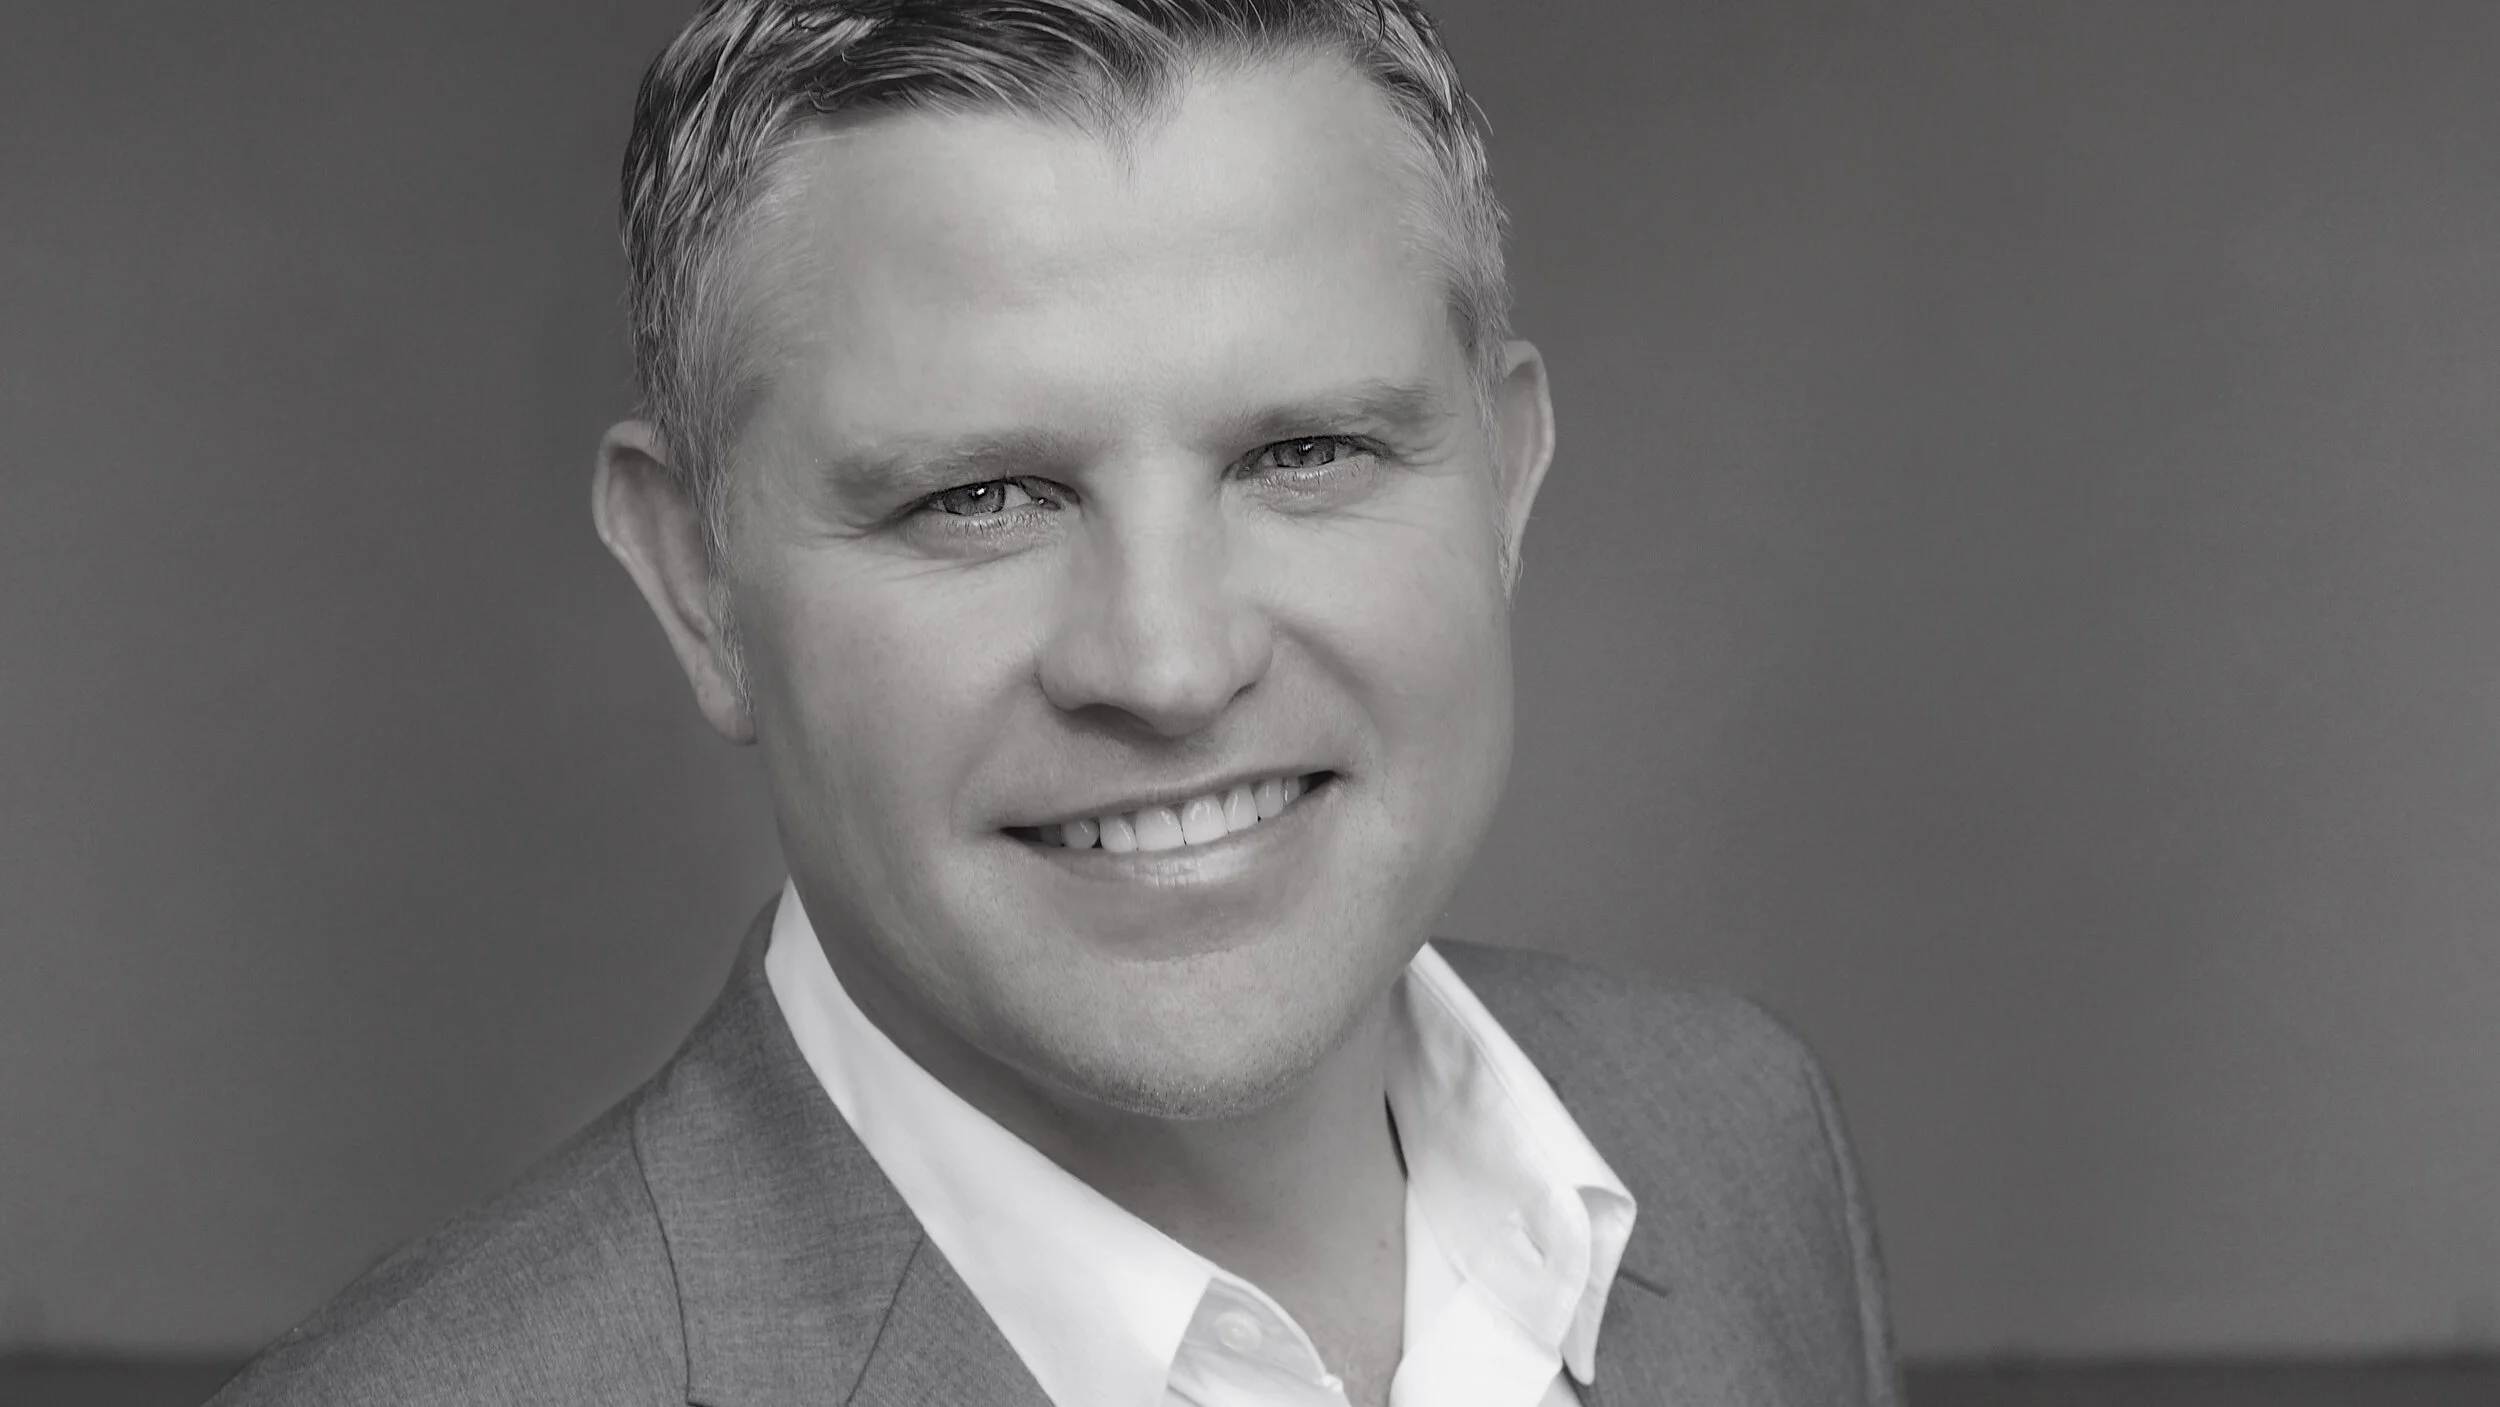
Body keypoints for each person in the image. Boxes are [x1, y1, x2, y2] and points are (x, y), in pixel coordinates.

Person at [212, 2, 1901, 1403]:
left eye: (1305, 452)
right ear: (696, 583)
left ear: (1505, 483)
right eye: (980, 497)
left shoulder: (1736, 1134)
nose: (1168, 666)